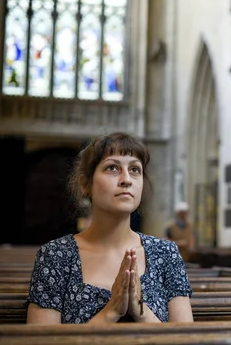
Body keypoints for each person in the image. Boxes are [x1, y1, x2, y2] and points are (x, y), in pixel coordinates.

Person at [26, 132, 194, 324]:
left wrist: (141, 311)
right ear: (85, 184)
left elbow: (186, 338)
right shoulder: (55, 256)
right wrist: (111, 311)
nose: (126, 180)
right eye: (112, 168)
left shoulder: (166, 254)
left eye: (135, 170)